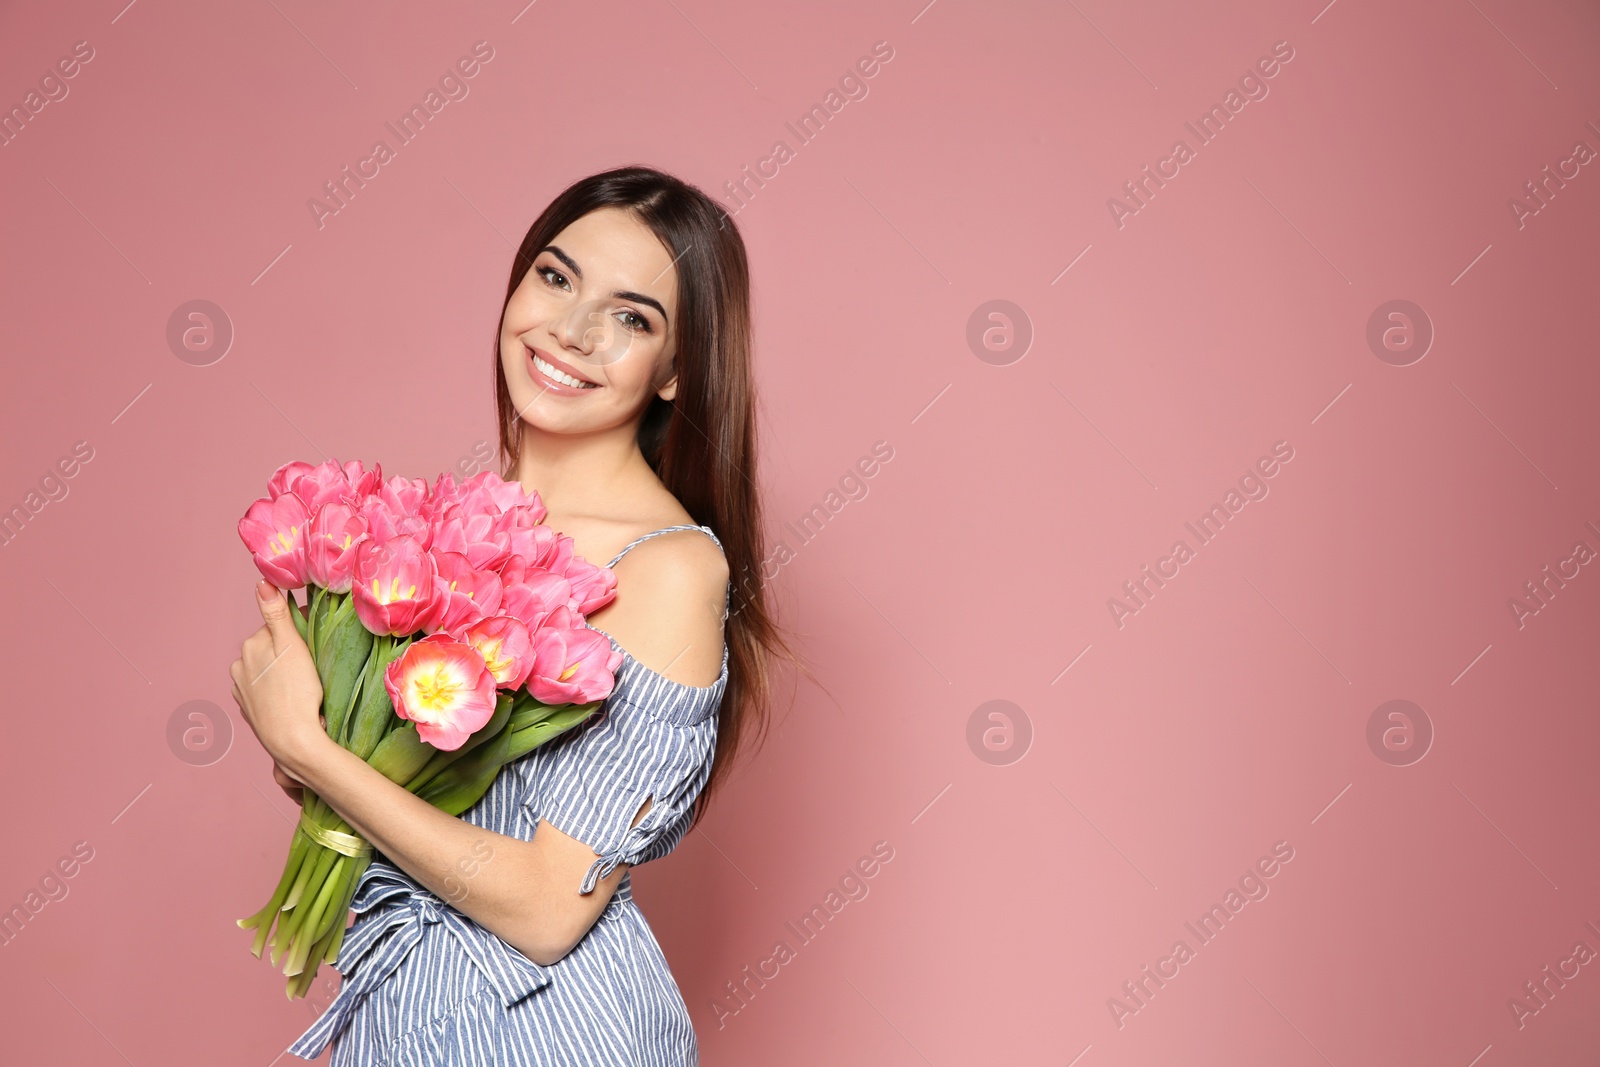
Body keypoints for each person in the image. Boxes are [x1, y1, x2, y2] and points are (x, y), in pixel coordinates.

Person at [231, 165, 799, 1065]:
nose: (570, 332)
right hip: (402, 1008)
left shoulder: (667, 567)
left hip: (544, 1029)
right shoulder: (456, 531)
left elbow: (545, 908)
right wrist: (324, 733)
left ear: (677, 372)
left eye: (630, 317)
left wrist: (311, 747)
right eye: (557, 276)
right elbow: (406, 799)